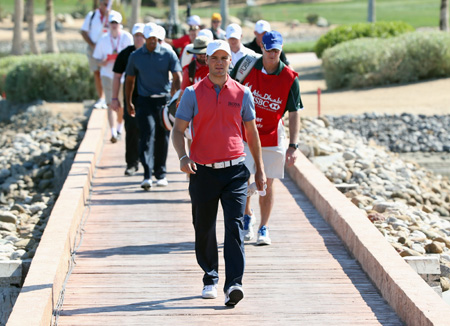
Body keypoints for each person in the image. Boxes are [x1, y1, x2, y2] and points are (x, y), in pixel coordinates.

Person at [172, 40, 266, 306]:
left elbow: (252, 133)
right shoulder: (192, 93)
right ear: (206, 61)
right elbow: (178, 131)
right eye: (215, 58)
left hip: (236, 171)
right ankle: (210, 277)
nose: (220, 62)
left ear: (230, 62)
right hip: (202, 171)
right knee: (204, 227)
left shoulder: (242, 93)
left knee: (234, 227)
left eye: (225, 58)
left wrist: (259, 169)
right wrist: (183, 157)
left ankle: (234, 284)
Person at [231, 31, 303, 245]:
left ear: (280, 50)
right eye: (268, 49)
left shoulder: (290, 78)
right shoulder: (246, 67)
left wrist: (293, 145)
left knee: (267, 184)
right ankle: (247, 217)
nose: (272, 54)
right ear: (261, 47)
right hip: (245, 133)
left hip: (272, 135)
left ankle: (264, 227)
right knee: (242, 178)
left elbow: (294, 112)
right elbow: (230, 91)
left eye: (276, 50)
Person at [125, 23, 182, 190]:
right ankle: (147, 174)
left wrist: (176, 97)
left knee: (162, 136)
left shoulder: (167, 54)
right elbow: (129, 80)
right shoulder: (136, 56)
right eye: (148, 38)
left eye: (154, 39)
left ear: (158, 39)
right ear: (144, 38)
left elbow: (177, 76)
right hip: (144, 101)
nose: (151, 41)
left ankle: (161, 173)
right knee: (146, 134)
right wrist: (128, 101)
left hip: (163, 101)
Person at [93, 10, 133, 143]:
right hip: (107, 74)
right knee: (110, 103)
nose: (114, 25)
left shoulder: (127, 38)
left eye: (116, 23)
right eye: (112, 23)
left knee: (120, 104)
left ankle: (120, 128)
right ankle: (113, 132)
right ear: (108, 24)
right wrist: (103, 62)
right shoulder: (103, 40)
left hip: (122, 76)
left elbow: (132, 56)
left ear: (120, 24)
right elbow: (96, 59)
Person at [111, 23, 145, 176]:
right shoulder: (126, 54)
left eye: (142, 35)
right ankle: (131, 163)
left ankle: (150, 164)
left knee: (149, 130)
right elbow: (117, 76)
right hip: (130, 97)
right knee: (131, 129)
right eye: (137, 35)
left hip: (148, 98)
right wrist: (114, 98)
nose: (139, 38)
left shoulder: (154, 53)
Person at [80, 0, 109, 109]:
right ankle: (101, 98)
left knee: (107, 73)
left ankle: (108, 98)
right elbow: (83, 31)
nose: (106, 6)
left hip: (107, 49)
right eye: (104, 4)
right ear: (100, 4)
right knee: (97, 72)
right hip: (94, 48)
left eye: (107, 4)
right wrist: (93, 45)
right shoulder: (92, 15)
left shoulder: (111, 16)